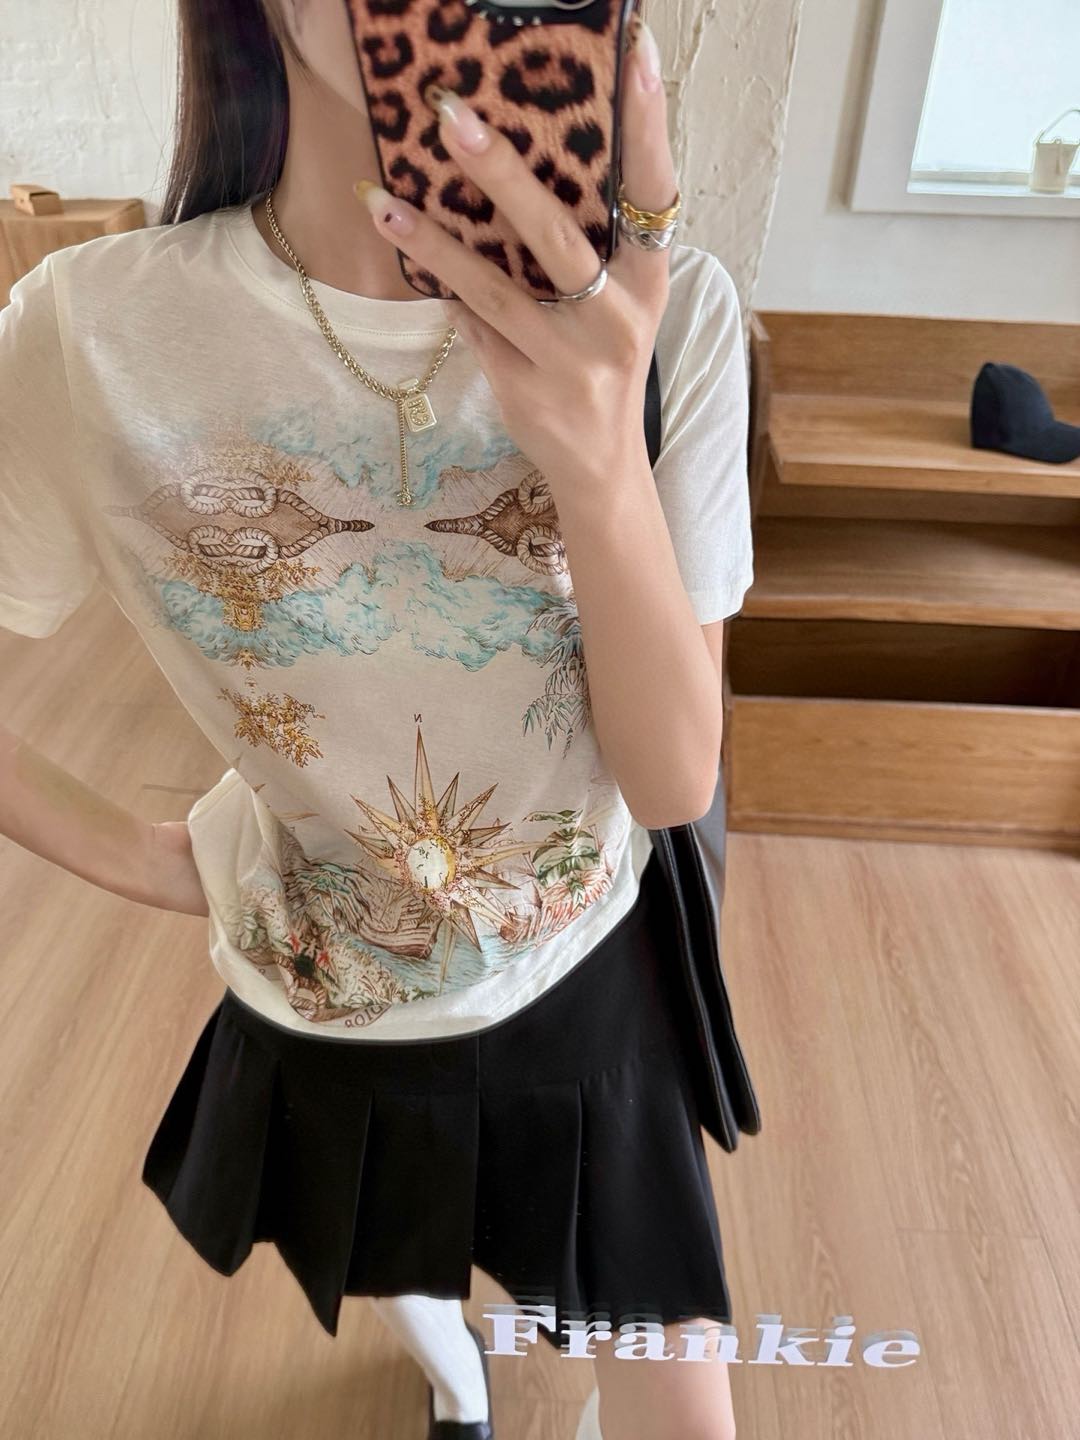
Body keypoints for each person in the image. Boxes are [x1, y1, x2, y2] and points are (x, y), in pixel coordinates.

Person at [0, 2, 753, 1437]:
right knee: (399, 1242)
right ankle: (457, 1380)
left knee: (672, 1379)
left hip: (588, 946)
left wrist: (601, 464)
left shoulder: (671, 313)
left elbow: (673, 778)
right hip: (326, 978)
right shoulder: (92, 334)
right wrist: (147, 856)